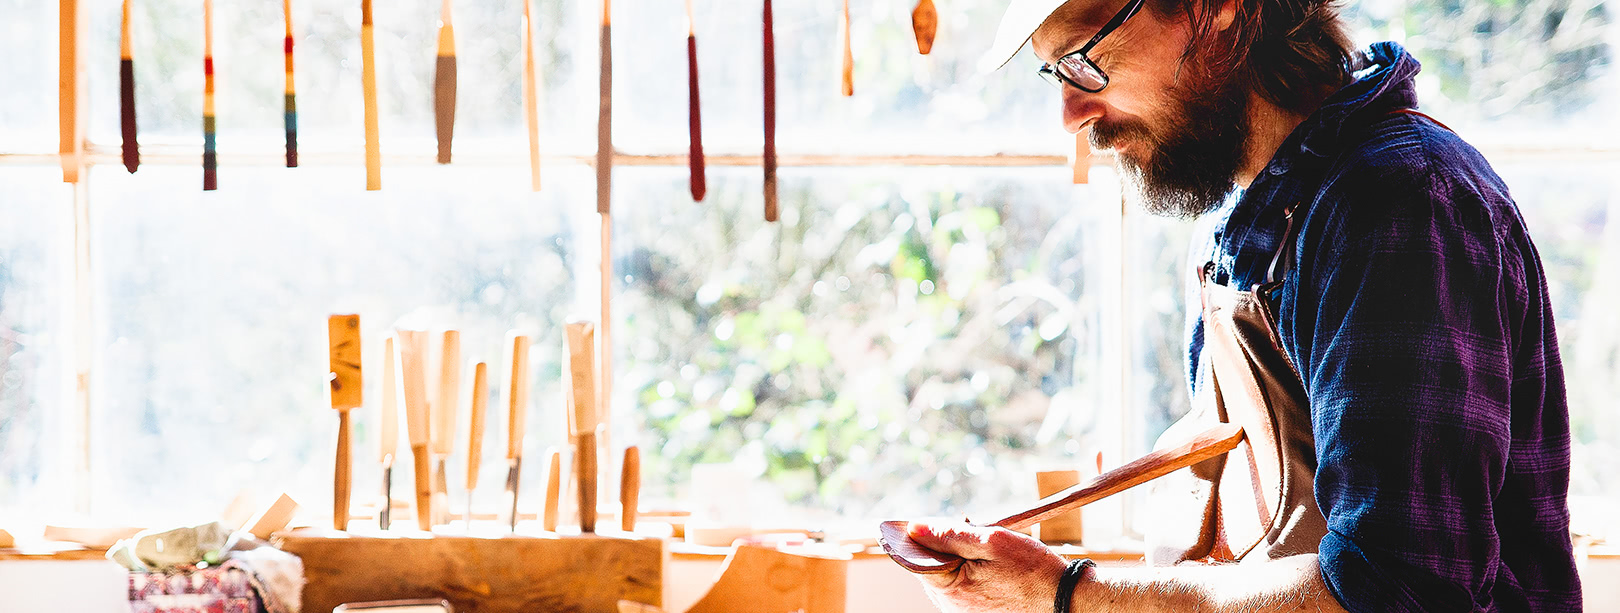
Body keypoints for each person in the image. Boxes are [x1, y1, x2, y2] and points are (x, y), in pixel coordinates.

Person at [902, 0, 1584, 611]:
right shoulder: (1243, 209)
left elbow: (1396, 591)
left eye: (1085, 61)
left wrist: (1070, 596)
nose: (1072, 117)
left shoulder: (1399, 207)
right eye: (1056, 75)